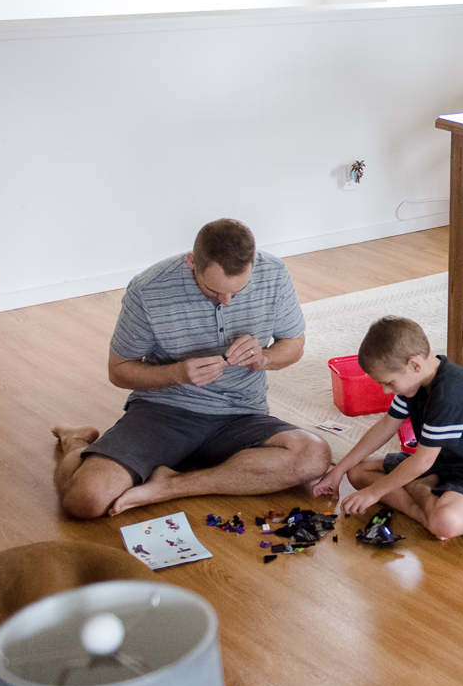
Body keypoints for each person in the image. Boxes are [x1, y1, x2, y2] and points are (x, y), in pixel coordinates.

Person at [51, 218, 331, 518]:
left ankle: (171, 485)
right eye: (212, 291)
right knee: (84, 500)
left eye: (238, 291)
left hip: (242, 413)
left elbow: (294, 344)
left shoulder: (273, 274)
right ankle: (75, 442)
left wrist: (264, 358)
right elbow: (118, 370)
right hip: (164, 413)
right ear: (192, 262)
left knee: (314, 455)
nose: (226, 301)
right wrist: (177, 373)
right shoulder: (148, 290)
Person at [311, 316, 463, 542]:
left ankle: (421, 492)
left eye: (388, 382)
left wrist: (375, 492)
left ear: (414, 365)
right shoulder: (414, 383)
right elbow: (385, 427)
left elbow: (422, 462)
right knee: (356, 472)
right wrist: (338, 470)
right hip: (437, 461)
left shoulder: (450, 394)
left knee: (446, 522)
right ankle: (424, 503)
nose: (385, 391)